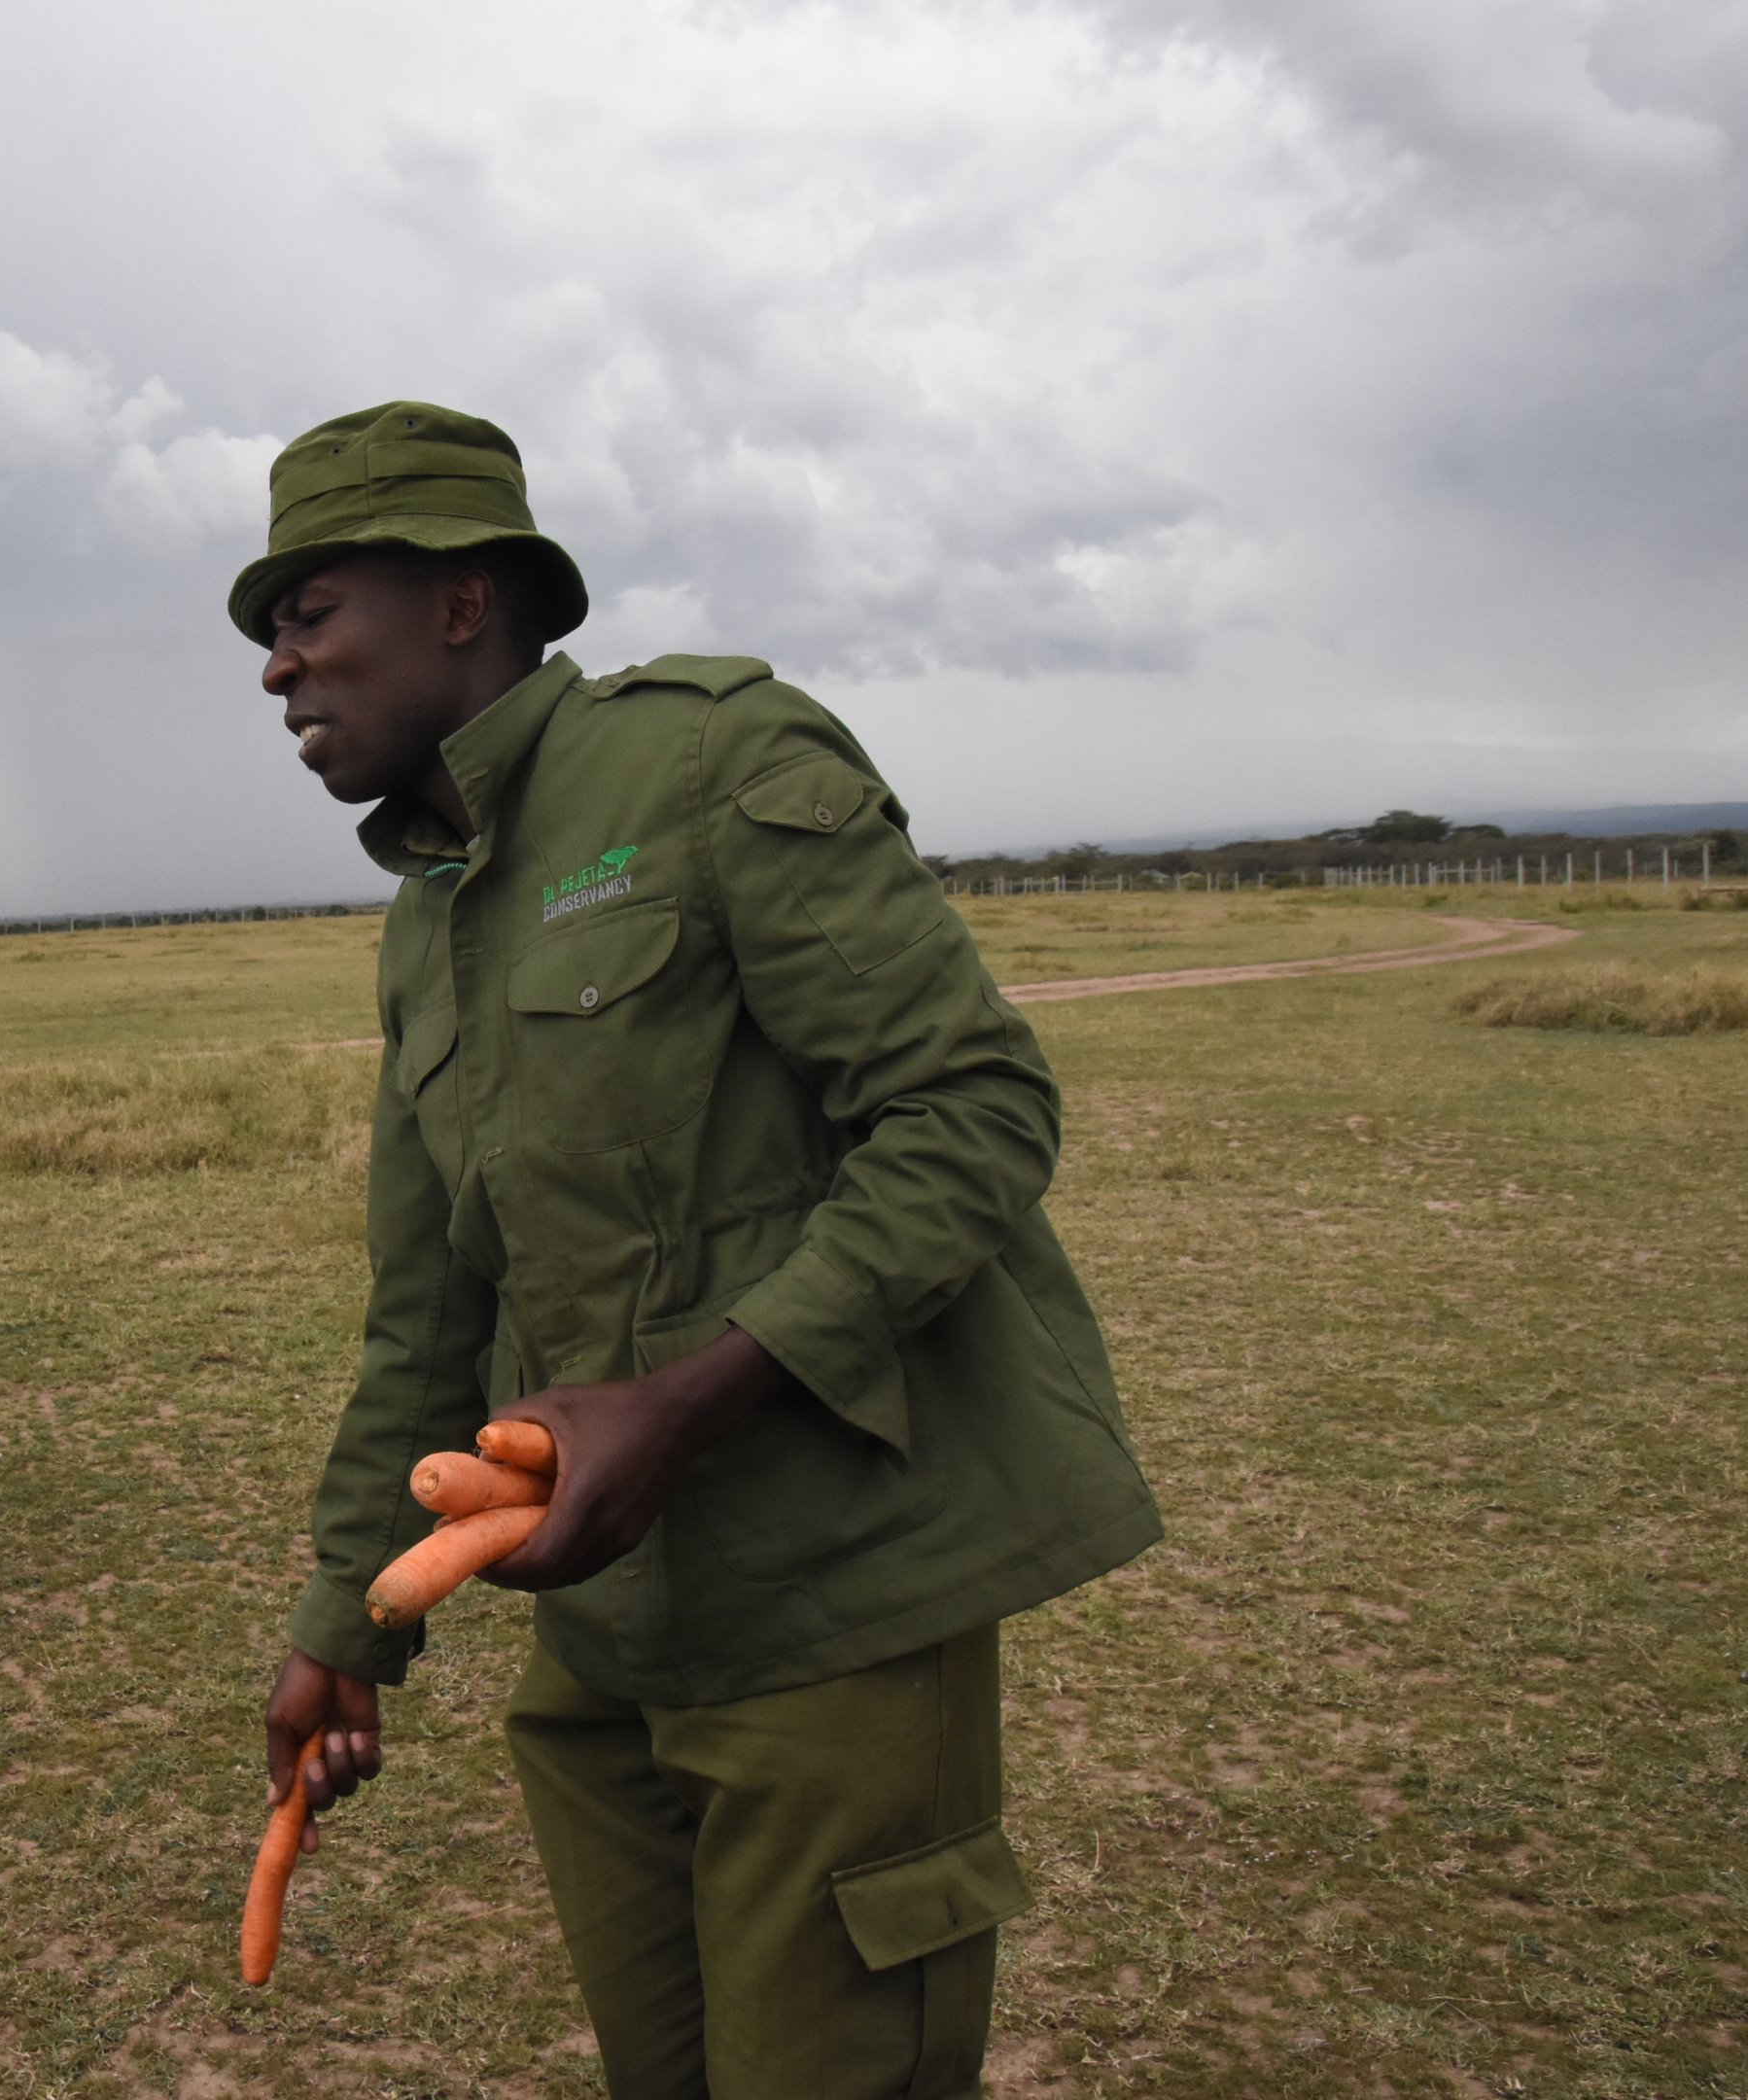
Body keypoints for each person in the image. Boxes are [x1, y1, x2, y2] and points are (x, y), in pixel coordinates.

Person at [241, 402, 1162, 2098]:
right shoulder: (430, 916)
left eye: (310, 613)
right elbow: (427, 1312)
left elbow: (970, 1112)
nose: (280, 668)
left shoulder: (710, 763)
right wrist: (343, 1624)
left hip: (834, 1608)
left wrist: (690, 1401)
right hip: (602, 1655)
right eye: (268, 637)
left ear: (462, 600)